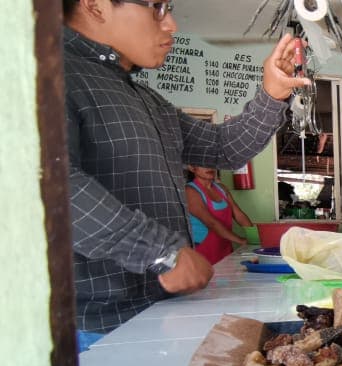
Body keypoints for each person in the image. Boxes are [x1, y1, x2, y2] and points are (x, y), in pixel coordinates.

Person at [64, 0, 310, 346]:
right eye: (157, 7)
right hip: (95, 326)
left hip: (161, 312)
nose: (171, 25)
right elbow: (48, 186)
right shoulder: (50, 76)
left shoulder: (145, 99)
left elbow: (223, 147)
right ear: (95, 5)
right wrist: (159, 251)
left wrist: (272, 94)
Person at [185, 165, 254, 264]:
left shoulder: (221, 188)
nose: (209, 167)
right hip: (203, 249)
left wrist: (255, 237)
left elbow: (238, 214)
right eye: (203, 164)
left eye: (212, 163)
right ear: (192, 168)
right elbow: (211, 223)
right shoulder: (190, 191)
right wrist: (240, 240)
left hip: (224, 247)